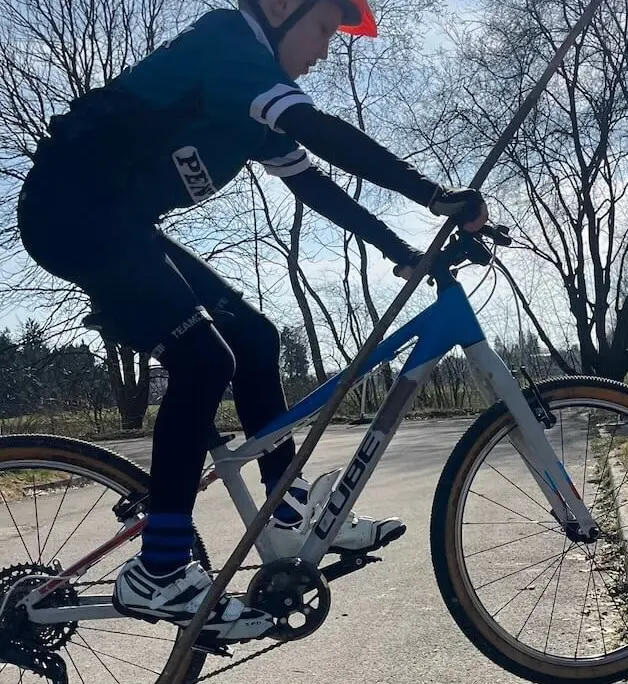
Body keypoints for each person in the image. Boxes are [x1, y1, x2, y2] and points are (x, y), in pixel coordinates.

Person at [17, 0, 488, 640]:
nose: (324, 51)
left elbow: (315, 185)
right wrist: (433, 193)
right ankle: (158, 570)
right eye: (323, 28)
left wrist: (401, 251)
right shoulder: (229, 48)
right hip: (70, 215)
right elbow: (321, 131)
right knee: (205, 361)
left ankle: (285, 513)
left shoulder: (252, 97)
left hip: (119, 223)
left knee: (256, 338)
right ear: (279, 8)